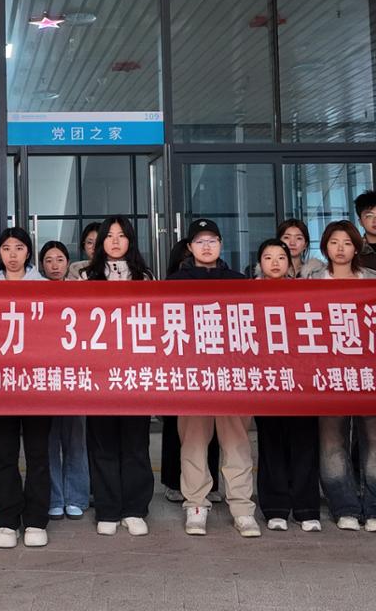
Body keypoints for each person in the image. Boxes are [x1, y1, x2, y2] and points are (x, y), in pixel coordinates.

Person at [167, 219, 260, 538]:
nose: (206, 246)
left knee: (236, 443)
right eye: (200, 241)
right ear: (189, 247)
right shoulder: (175, 283)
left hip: (232, 375)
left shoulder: (238, 281)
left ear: (221, 244)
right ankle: (196, 504)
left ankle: (242, 508)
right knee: (193, 443)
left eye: (212, 240)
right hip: (192, 376)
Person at [313, 220, 376, 533]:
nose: (340, 249)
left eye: (347, 243)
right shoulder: (311, 281)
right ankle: (344, 506)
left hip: (370, 372)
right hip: (327, 373)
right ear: (325, 247)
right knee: (332, 440)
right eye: (334, 242)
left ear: (356, 247)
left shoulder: (373, 279)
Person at [82, 215, 156, 536]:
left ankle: (135, 508)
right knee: (103, 443)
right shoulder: (85, 277)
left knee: (136, 442)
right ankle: (108, 508)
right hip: (98, 374)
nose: (115, 241)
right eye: (109, 235)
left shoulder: (145, 277)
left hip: (135, 373)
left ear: (130, 240)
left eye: (121, 235)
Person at [251, 238, 322, 533]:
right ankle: (275, 507)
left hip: (302, 382)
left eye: (281, 257)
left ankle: (307, 508)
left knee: (304, 443)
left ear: (290, 261)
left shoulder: (305, 292)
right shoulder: (247, 296)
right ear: (260, 263)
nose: (275, 263)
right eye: (268, 257)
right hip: (266, 381)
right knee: (271, 445)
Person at [0, 227, 53, 548]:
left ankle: (36, 519)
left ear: (28, 252)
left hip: (37, 383)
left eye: (18, 247)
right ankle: (7, 519)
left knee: (38, 454)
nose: (12, 254)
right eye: (6, 248)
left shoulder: (46, 289)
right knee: (5, 454)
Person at [159, 235, 217, 504]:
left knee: (215, 430)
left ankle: (211, 484)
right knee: (179, 430)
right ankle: (176, 482)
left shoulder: (227, 280)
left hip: (215, 363)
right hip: (182, 365)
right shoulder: (173, 285)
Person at [38, 240, 88, 520]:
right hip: (45, 377)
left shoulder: (80, 291)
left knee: (75, 439)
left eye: (59, 259)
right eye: (48, 260)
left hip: (74, 375)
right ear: (41, 265)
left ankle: (76, 497)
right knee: (49, 441)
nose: (54, 265)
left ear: (68, 262)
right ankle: (55, 497)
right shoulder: (34, 292)